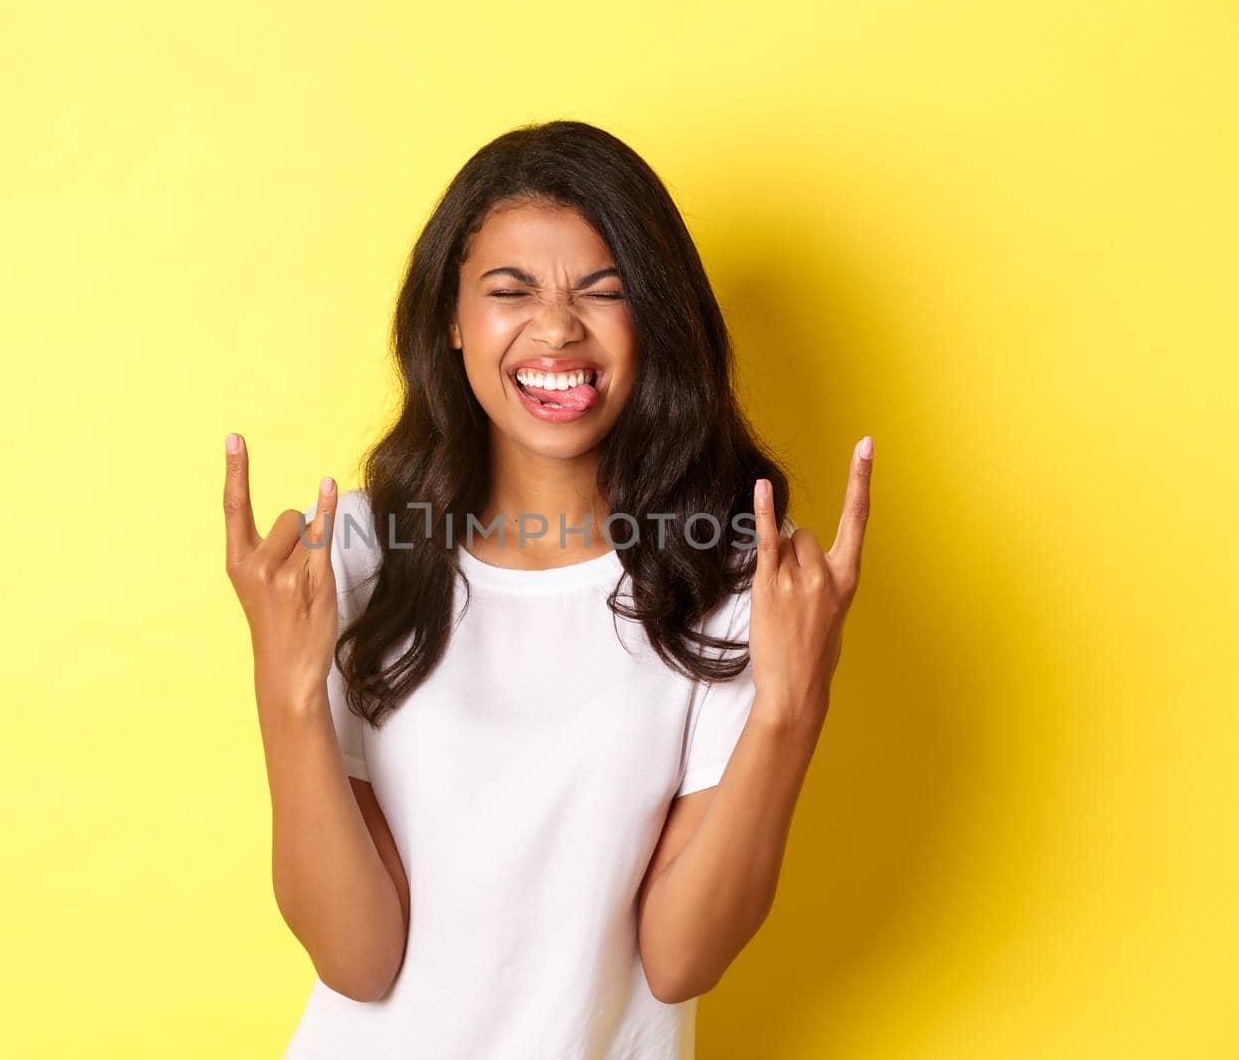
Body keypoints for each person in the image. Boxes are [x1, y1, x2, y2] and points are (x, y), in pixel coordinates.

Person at [222, 120, 874, 1059]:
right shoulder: (363, 550)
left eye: (604, 292)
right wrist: (285, 690)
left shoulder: (730, 578)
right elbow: (357, 959)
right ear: (451, 320)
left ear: (654, 318)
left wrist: (793, 704)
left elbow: (679, 958)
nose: (558, 327)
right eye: (510, 290)